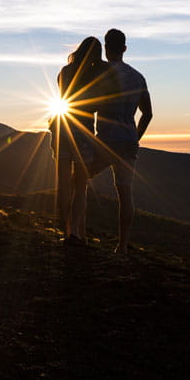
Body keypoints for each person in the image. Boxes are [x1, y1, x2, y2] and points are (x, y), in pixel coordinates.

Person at [94, 28, 152, 254]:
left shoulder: (103, 73)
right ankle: (122, 245)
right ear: (125, 49)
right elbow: (147, 114)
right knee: (125, 194)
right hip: (128, 142)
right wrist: (135, 138)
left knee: (79, 177)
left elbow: (94, 104)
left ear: (106, 48)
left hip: (106, 140)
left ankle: (74, 230)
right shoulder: (138, 77)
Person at [52, 36, 108, 243]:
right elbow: (96, 105)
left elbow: (63, 98)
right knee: (80, 185)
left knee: (64, 185)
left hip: (62, 127)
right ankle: (75, 232)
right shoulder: (95, 75)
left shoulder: (64, 72)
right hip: (83, 131)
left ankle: (66, 230)